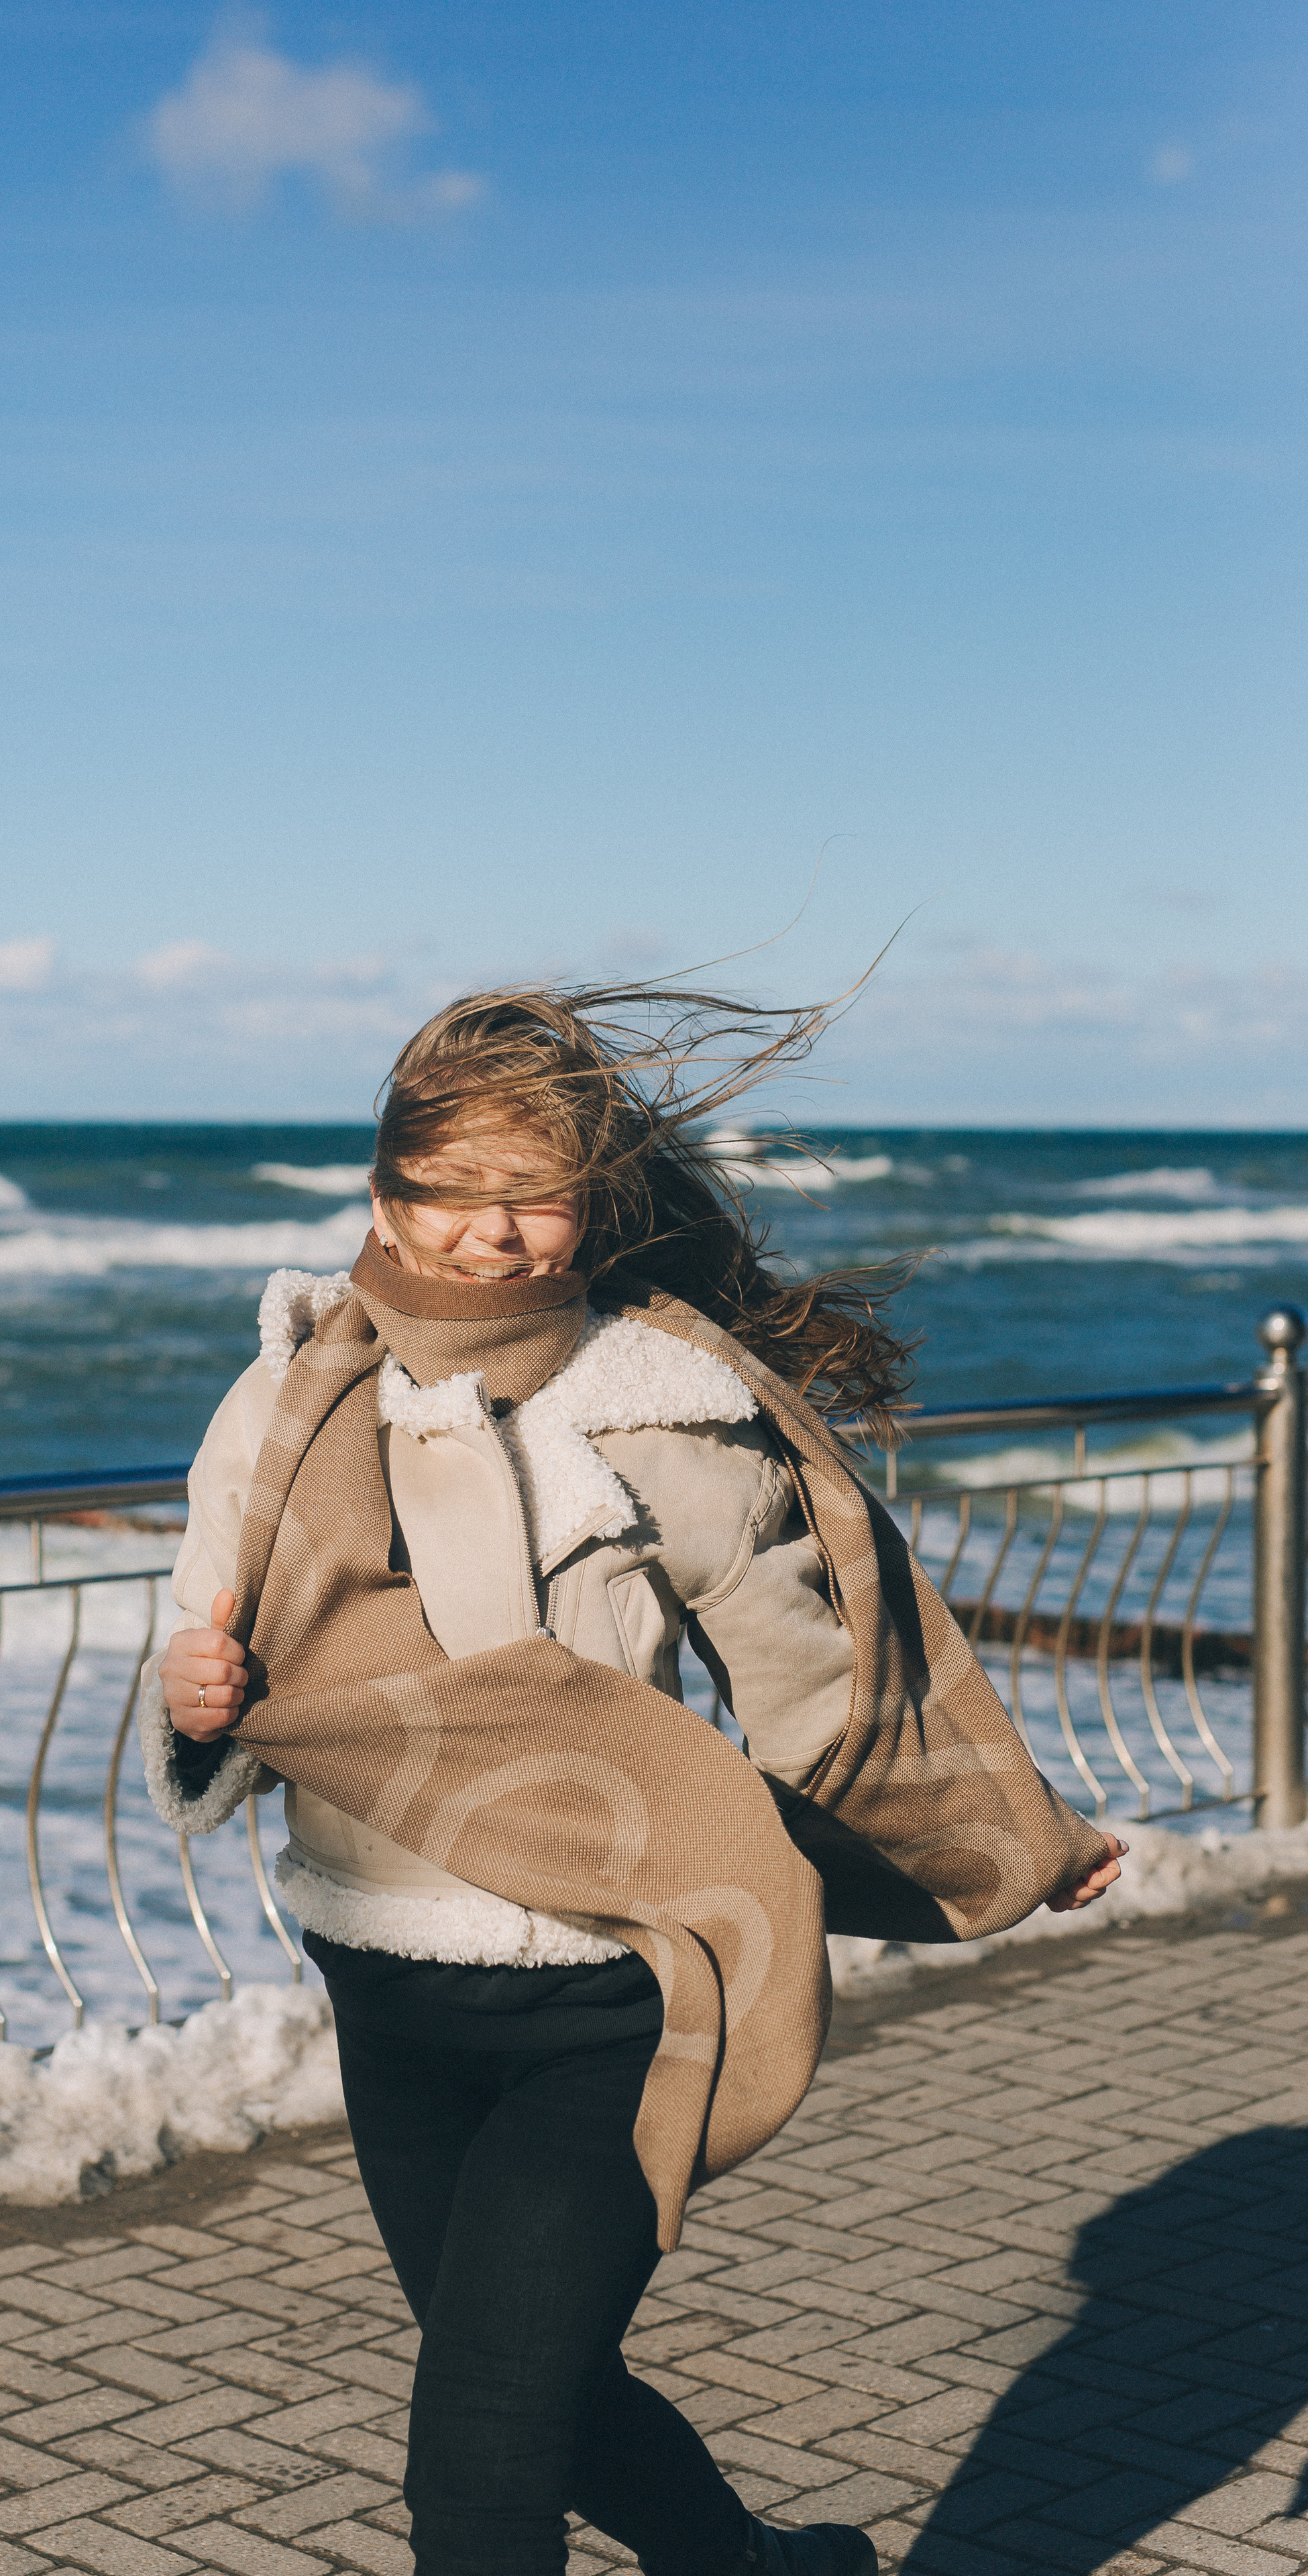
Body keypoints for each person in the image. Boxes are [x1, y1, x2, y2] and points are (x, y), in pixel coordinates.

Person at [140, 983, 1123, 2576]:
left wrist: (1009, 1840)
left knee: (473, 2466)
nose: (488, 1235)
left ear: (593, 1199)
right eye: (446, 1194)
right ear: (382, 1195)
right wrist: (191, 1694)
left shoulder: (657, 1411)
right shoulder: (290, 1389)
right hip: (383, 1981)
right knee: (545, 2393)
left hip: (608, 1988)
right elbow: (209, 1624)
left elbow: (822, 1696)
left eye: (530, 1195)